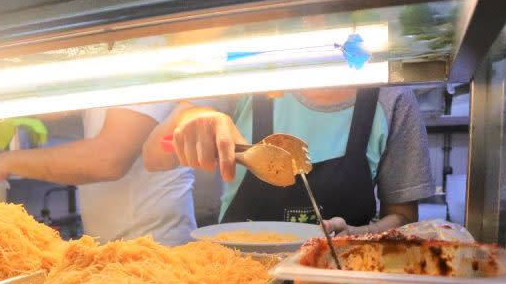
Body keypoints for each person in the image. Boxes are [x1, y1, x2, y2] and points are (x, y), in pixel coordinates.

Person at [142, 87, 435, 235]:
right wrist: (192, 119)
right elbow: (153, 155)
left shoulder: (392, 99)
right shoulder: (243, 82)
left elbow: (404, 219)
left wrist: (358, 238)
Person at [0, 104, 196, 245]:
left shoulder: (145, 49)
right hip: (111, 249)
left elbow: (109, 158)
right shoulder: (108, 56)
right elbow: (53, 108)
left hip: (155, 247)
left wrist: (1, 162)